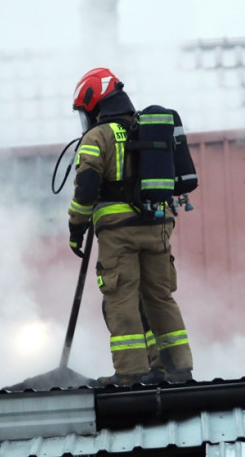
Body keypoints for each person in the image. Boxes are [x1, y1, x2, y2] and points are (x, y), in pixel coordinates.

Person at [67, 67, 194, 386]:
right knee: (159, 297)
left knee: (121, 298)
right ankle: (177, 368)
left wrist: (76, 227)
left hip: (119, 232)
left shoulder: (97, 137)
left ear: (95, 101)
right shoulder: (146, 129)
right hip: (159, 226)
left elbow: (86, 188)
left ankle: (130, 373)